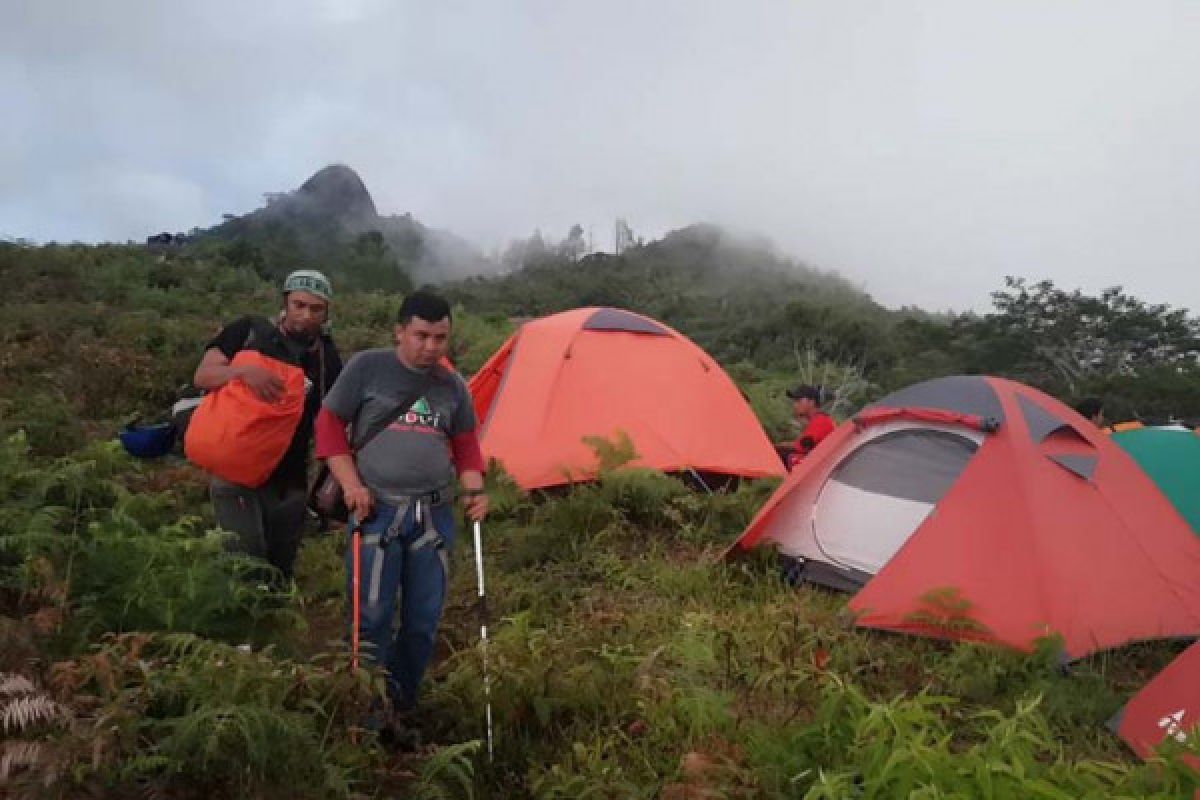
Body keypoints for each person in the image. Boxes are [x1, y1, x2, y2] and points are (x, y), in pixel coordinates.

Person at [315, 289, 488, 724]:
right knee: (370, 616)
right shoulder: (367, 368)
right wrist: (351, 484)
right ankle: (366, 713)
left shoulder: (452, 386)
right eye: (422, 335)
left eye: (441, 337)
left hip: (433, 514)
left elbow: (466, 447)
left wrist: (475, 491)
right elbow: (329, 424)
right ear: (400, 332)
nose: (431, 346)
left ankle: (402, 705)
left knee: (422, 621)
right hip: (377, 510)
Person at [193, 269, 342, 582]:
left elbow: (331, 417)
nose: (306, 315)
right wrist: (244, 372)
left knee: (280, 567)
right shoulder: (247, 332)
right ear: (285, 303)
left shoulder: (327, 356)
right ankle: (242, 627)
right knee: (247, 564)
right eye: (299, 305)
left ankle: (272, 627)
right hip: (237, 470)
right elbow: (203, 375)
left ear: (327, 312)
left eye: (316, 309)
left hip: (290, 478)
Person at [786, 384, 835, 468]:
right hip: (822, 466)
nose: (795, 405)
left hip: (823, 468)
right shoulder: (819, 419)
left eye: (798, 401)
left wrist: (772, 447)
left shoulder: (821, 421)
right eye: (794, 401)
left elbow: (800, 447)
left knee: (787, 456)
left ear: (811, 402)